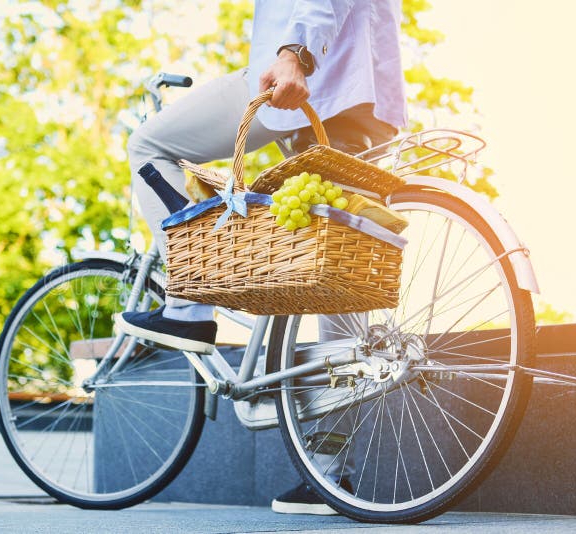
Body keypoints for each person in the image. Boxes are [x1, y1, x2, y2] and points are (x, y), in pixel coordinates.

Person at [115, 0, 407, 515]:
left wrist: (296, 53)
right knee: (336, 283)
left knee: (149, 143)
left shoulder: (299, 56)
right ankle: (329, 476)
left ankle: (188, 306)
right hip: (361, 91)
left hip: (305, 76)